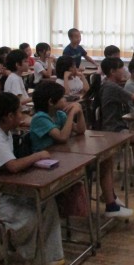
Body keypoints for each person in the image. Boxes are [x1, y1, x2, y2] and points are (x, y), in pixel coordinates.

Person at [0, 92, 65, 265]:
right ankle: (25, 252)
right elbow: (12, 166)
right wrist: (37, 156)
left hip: (2, 188)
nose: (22, 114)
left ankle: (49, 255)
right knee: (29, 217)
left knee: (46, 201)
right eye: (19, 111)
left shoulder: (5, 132)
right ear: (9, 116)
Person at [29, 81, 96, 221]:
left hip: (60, 157)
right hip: (44, 164)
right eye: (62, 97)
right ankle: (63, 208)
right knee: (79, 174)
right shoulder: (40, 118)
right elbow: (62, 137)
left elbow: (80, 130)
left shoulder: (59, 114)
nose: (65, 100)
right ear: (51, 102)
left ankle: (65, 207)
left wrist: (79, 112)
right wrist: (71, 114)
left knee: (90, 165)